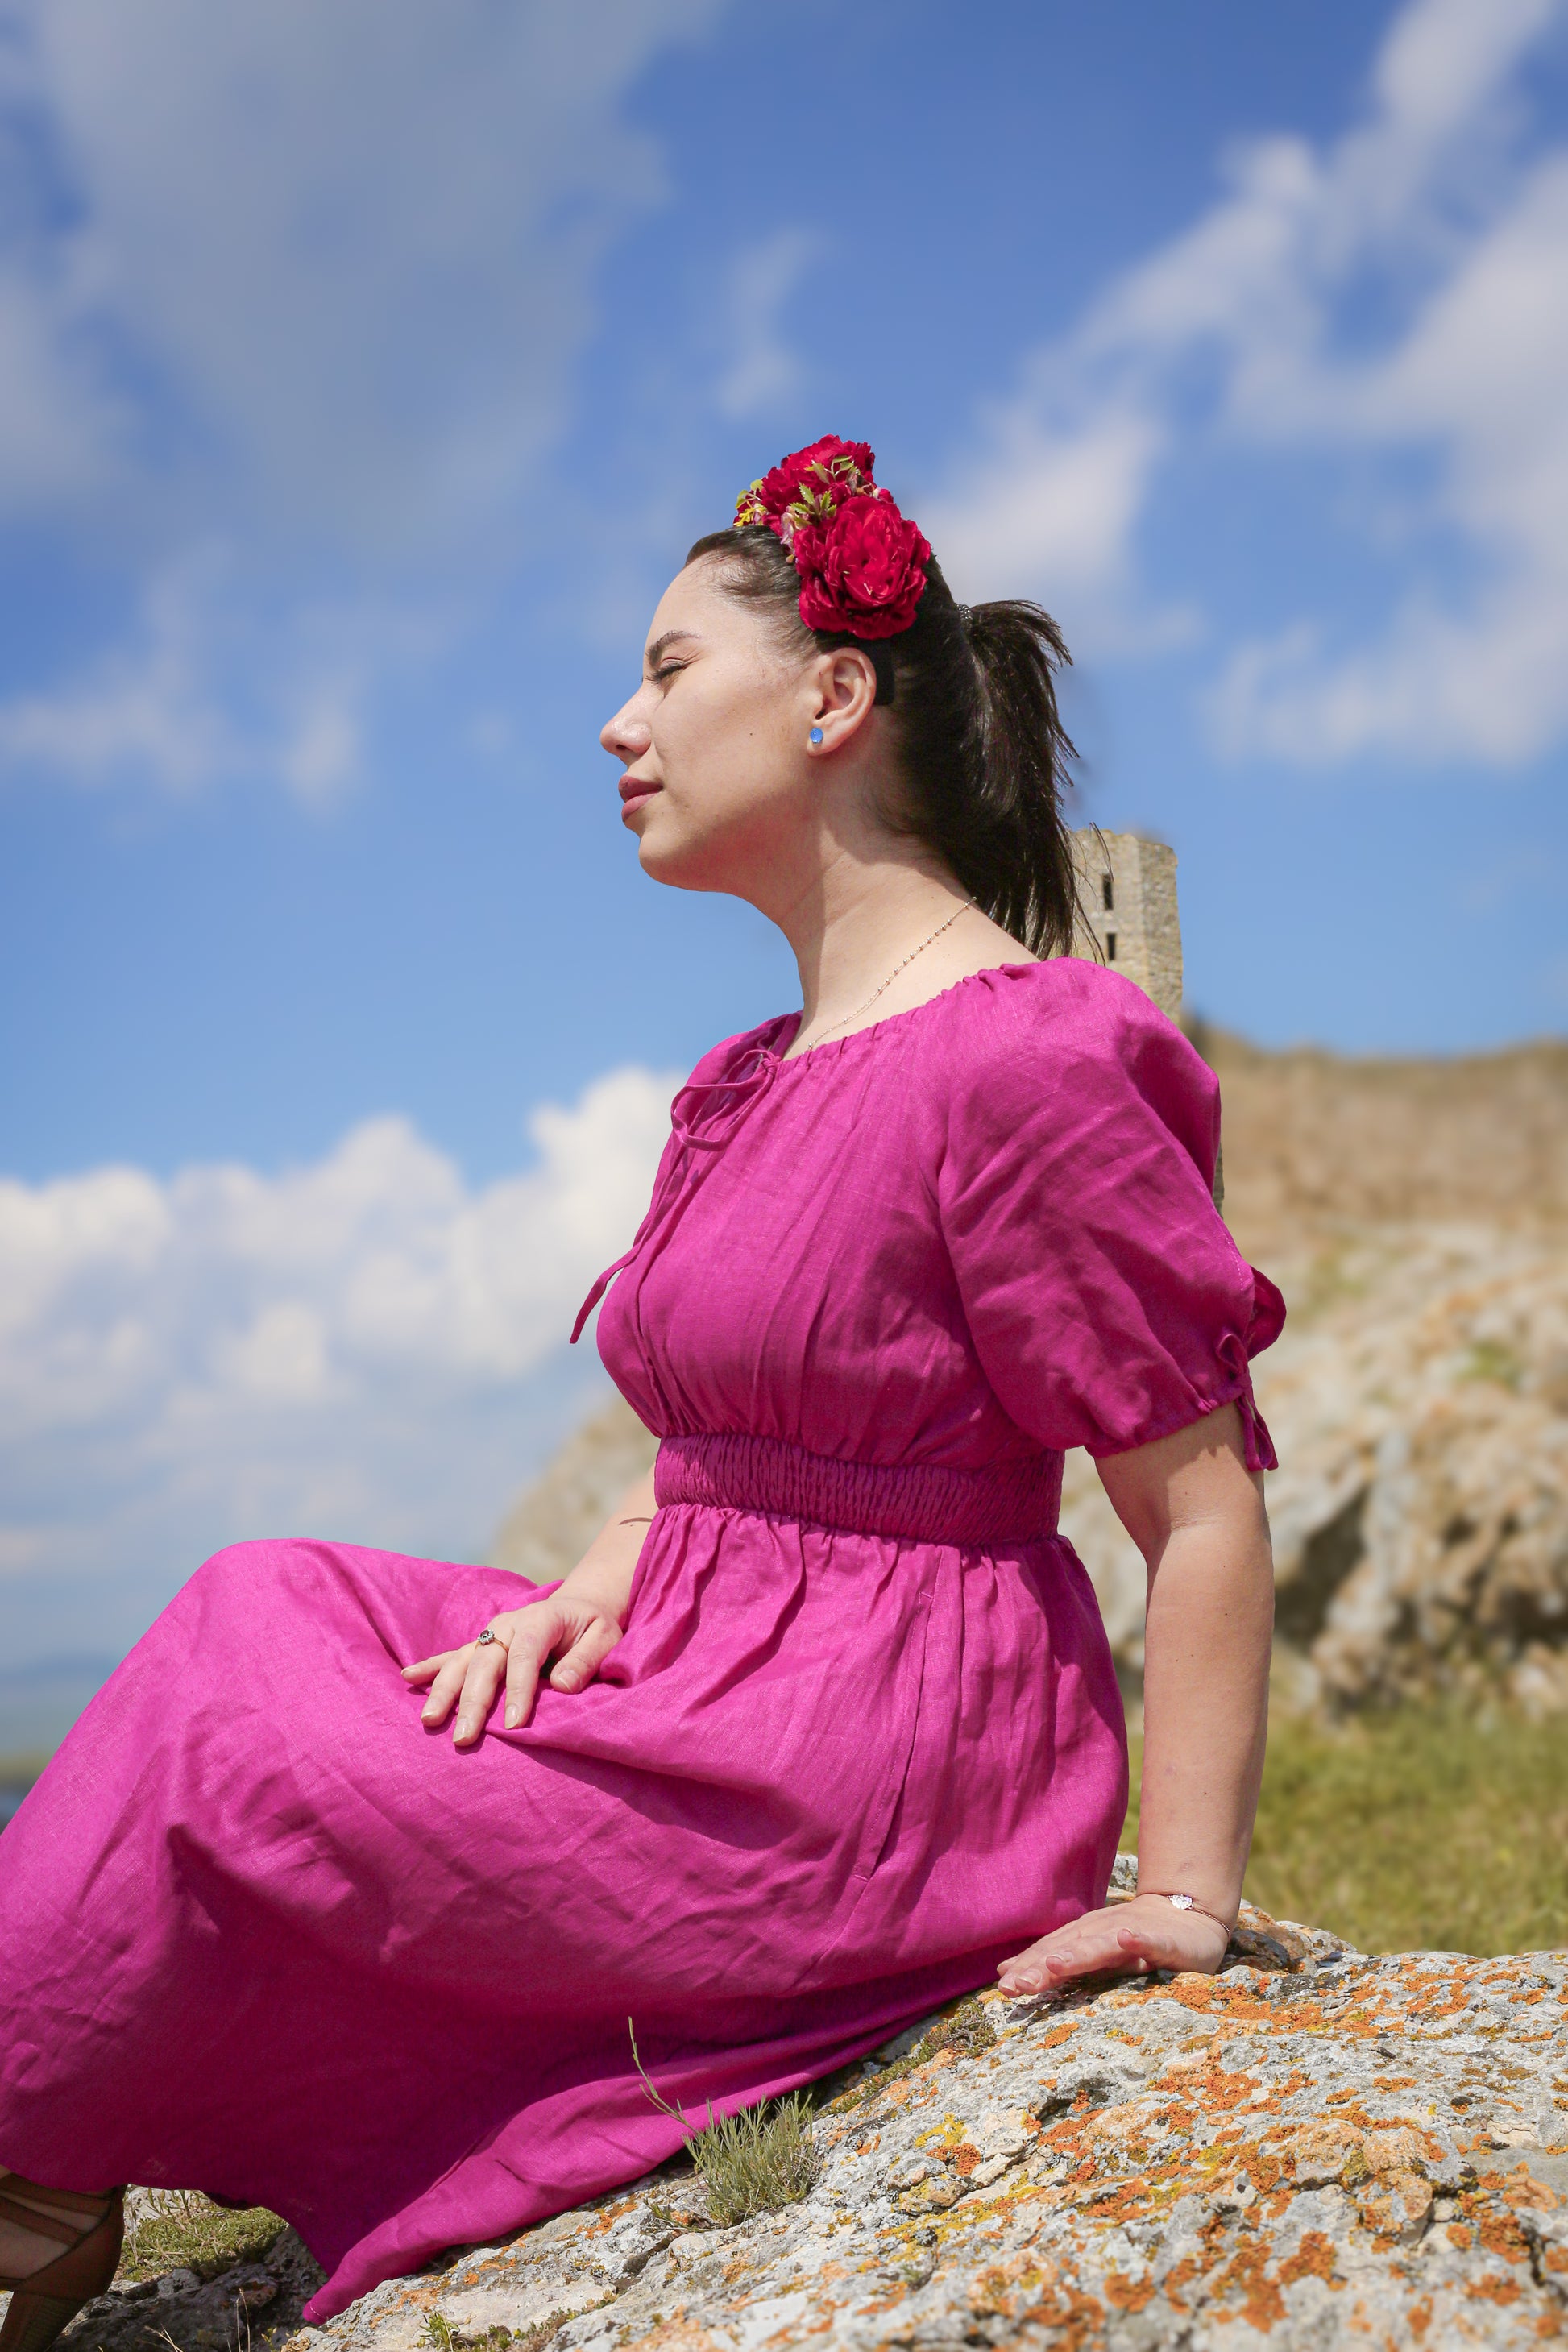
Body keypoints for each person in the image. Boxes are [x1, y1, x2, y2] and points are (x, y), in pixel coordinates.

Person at [0, 437, 1281, 2351]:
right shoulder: (751, 1073)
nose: (619, 721)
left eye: (671, 669)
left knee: (248, 1748)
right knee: (256, 1601)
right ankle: (42, 2153)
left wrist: (1180, 1893)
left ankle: (24, 2181)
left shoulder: (1022, 1055)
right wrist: (613, 1558)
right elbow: (736, 1415)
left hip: (872, 1759)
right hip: (707, 1640)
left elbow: (1199, 1497)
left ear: (833, 696)